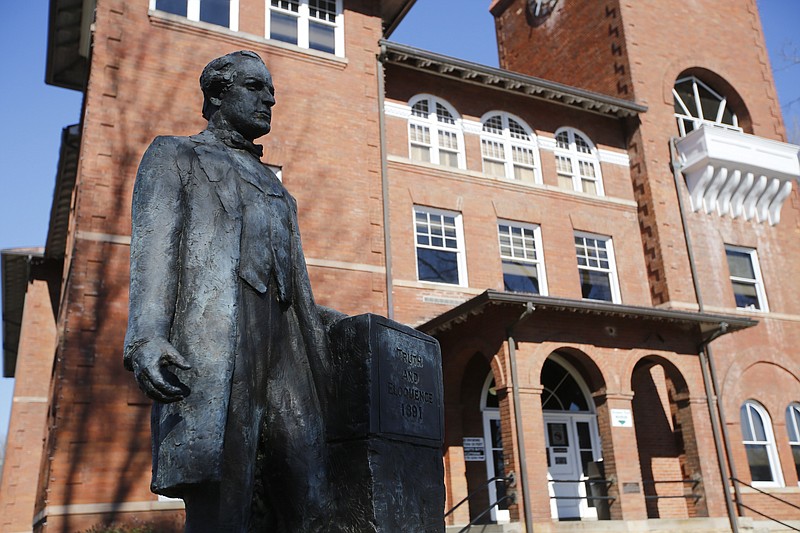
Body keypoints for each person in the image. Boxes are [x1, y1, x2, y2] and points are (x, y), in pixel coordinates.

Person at [123, 50, 340, 532]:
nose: (269, 100)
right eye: (255, 88)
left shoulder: (277, 187)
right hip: (217, 341)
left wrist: (336, 324)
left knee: (310, 490)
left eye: (272, 92)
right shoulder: (176, 155)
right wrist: (147, 336)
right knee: (223, 499)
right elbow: (155, 248)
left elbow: (294, 285)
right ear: (218, 94)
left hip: (287, 347)